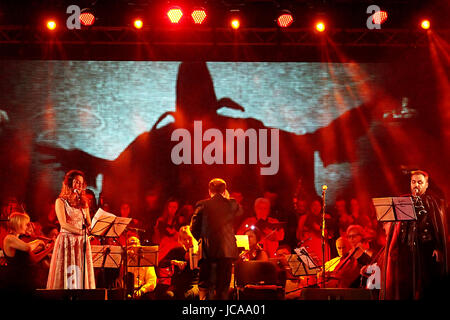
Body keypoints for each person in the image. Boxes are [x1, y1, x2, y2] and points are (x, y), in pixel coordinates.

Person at [382, 170, 448, 300]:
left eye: (419, 182)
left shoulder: (432, 203)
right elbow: (396, 228)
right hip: (406, 250)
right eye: (413, 182)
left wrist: (438, 247)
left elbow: (437, 228)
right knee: (405, 285)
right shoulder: (403, 200)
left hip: (425, 250)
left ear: (426, 184)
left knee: (424, 286)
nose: (416, 185)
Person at [190, 178, 243, 300]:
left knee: (206, 287)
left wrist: (203, 239)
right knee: (223, 289)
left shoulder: (202, 204)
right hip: (227, 253)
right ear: (225, 191)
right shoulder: (232, 204)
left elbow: (193, 228)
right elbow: (239, 211)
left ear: (209, 191)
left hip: (208, 253)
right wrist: (227, 198)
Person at [46, 169, 96, 289]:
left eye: (81, 183)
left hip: (81, 242)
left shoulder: (84, 203)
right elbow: (63, 224)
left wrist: (92, 227)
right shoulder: (60, 201)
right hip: (67, 240)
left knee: (80, 273)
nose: (79, 185)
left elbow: (88, 222)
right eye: (76, 182)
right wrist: (80, 232)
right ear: (69, 183)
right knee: (67, 275)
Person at [2, 212, 54, 296]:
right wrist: (37, 241)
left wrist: (50, 248)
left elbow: (33, 260)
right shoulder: (9, 238)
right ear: (18, 224)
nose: (27, 227)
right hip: (16, 282)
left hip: (26, 281)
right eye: (26, 224)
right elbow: (27, 247)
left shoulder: (18, 240)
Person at [158, 225, 200, 299]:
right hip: (177, 285)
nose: (187, 242)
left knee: (185, 295)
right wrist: (174, 262)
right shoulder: (177, 251)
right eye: (184, 239)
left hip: (193, 284)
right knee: (167, 295)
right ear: (180, 240)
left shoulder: (198, 251)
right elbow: (161, 263)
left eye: (189, 238)